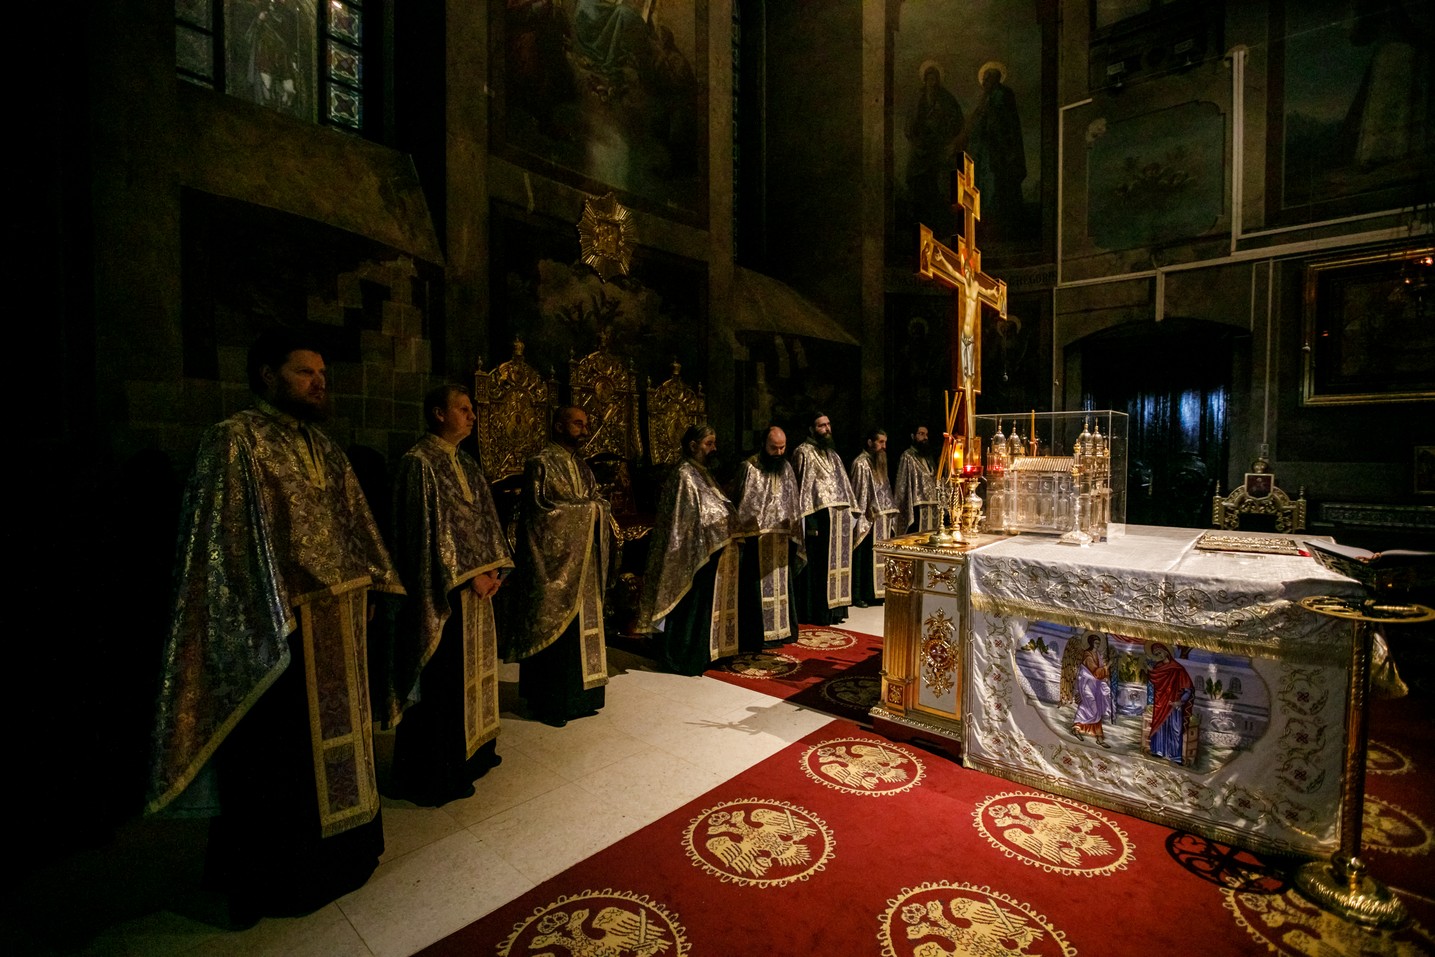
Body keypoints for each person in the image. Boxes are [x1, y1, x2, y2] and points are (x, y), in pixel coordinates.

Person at [146, 330, 403, 923]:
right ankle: (280, 878)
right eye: (304, 373)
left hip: (337, 625)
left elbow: (355, 528)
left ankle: (345, 855)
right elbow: (221, 549)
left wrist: (370, 588)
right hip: (276, 631)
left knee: (340, 745)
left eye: (322, 375)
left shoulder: (326, 447)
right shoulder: (234, 442)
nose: (319, 384)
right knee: (276, 759)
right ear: (266, 375)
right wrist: (273, 611)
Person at [385, 385, 514, 807]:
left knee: (474, 676)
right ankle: (437, 771)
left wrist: (494, 569)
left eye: (472, 409)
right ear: (438, 413)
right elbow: (421, 538)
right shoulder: (417, 463)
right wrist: (464, 579)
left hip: (478, 590)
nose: (472, 416)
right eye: (464, 409)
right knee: (444, 683)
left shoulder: (469, 464)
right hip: (443, 595)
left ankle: (474, 753)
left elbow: (485, 523)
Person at [503, 406, 612, 727]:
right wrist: (588, 512)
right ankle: (550, 701)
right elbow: (539, 515)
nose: (584, 429)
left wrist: (597, 511)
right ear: (559, 426)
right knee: (557, 636)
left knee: (582, 629)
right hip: (553, 568)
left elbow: (598, 503)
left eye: (586, 424)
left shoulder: (583, 468)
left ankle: (582, 697)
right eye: (578, 423)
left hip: (584, 565)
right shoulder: (540, 463)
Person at [639, 424, 740, 675]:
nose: (714, 449)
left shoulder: (702, 472)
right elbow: (687, 518)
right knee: (690, 605)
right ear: (693, 446)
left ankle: (703, 652)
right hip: (688, 553)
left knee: (704, 605)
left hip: (706, 550)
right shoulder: (684, 474)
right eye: (709, 444)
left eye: (714, 443)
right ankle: (683, 656)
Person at [730, 426, 805, 650]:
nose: (779, 453)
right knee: (755, 588)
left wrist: (793, 529)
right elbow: (740, 503)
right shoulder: (749, 467)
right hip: (756, 541)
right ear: (763, 444)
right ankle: (758, 635)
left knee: (782, 585)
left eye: (783, 448)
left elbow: (793, 502)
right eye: (774, 448)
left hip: (781, 540)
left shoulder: (786, 467)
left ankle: (782, 632)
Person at [791, 412, 859, 626]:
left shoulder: (833, 455)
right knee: (819, 568)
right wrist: (808, 523)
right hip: (817, 521)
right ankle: (817, 613)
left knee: (838, 566)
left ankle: (836, 611)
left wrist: (850, 513)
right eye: (822, 425)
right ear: (812, 429)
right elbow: (800, 490)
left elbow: (844, 488)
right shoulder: (802, 452)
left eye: (828, 424)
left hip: (838, 521)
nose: (827, 429)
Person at [966, 61, 1027, 241]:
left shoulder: (1003, 95)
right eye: (984, 79)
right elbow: (976, 123)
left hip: (1000, 152)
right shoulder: (984, 98)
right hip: (985, 152)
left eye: (989, 78)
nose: (985, 82)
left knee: (997, 188)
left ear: (996, 79)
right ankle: (984, 227)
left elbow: (1005, 123)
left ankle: (999, 228)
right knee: (983, 187)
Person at [905, 60, 965, 239]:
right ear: (924, 80)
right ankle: (919, 227)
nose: (932, 82)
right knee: (919, 185)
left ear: (938, 80)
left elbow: (957, 123)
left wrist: (944, 131)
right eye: (928, 78)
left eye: (934, 78)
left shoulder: (947, 99)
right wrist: (918, 140)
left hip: (940, 149)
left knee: (941, 189)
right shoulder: (918, 98)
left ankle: (942, 229)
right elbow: (910, 124)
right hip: (922, 149)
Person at [850, 429, 898, 608]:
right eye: (880, 442)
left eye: (885, 443)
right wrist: (863, 515)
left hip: (882, 517)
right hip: (868, 517)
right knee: (864, 558)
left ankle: (878, 593)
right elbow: (858, 492)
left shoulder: (881, 462)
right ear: (870, 442)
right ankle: (860, 594)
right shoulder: (860, 463)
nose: (883, 447)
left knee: (880, 556)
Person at [1146, 643, 1196, 765]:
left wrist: (1181, 701)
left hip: (1174, 704)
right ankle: (1158, 751)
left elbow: (1188, 689)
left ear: (1166, 651)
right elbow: (1155, 678)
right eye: (1156, 654)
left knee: (1175, 729)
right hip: (1161, 703)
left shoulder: (1178, 669)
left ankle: (1175, 756)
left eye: (1160, 652)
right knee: (1160, 727)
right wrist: (1150, 671)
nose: (1159, 655)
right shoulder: (1157, 667)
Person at [1071, 634, 1113, 748]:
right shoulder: (1087, 655)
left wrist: (1106, 673)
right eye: (1096, 643)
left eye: (1099, 643)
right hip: (1087, 686)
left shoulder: (1098, 655)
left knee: (1097, 710)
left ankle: (1099, 737)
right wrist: (1107, 667)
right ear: (1090, 643)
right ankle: (1077, 728)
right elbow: (1095, 672)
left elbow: (1101, 674)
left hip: (1096, 686)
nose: (1098, 645)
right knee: (1091, 708)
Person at [895, 425, 939, 534]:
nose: (925, 438)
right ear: (913, 436)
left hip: (932, 505)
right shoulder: (907, 456)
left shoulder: (928, 457)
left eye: (926, 434)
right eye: (921, 434)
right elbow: (902, 484)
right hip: (916, 507)